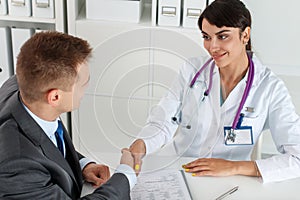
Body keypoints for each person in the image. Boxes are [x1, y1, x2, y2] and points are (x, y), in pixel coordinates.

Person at [129, 0, 300, 183]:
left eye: (223, 36)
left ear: (245, 35)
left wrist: (233, 166)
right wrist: (143, 143)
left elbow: (297, 157)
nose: (212, 47)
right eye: (206, 37)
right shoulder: (191, 71)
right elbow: (163, 122)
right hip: (179, 169)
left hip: (229, 180)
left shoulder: (270, 88)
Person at [0, 31, 136, 199]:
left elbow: (47, 143)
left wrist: (81, 165)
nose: (85, 92)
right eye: (83, 85)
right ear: (55, 97)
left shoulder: (25, 86)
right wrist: (126, 175)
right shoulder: (16, 167)